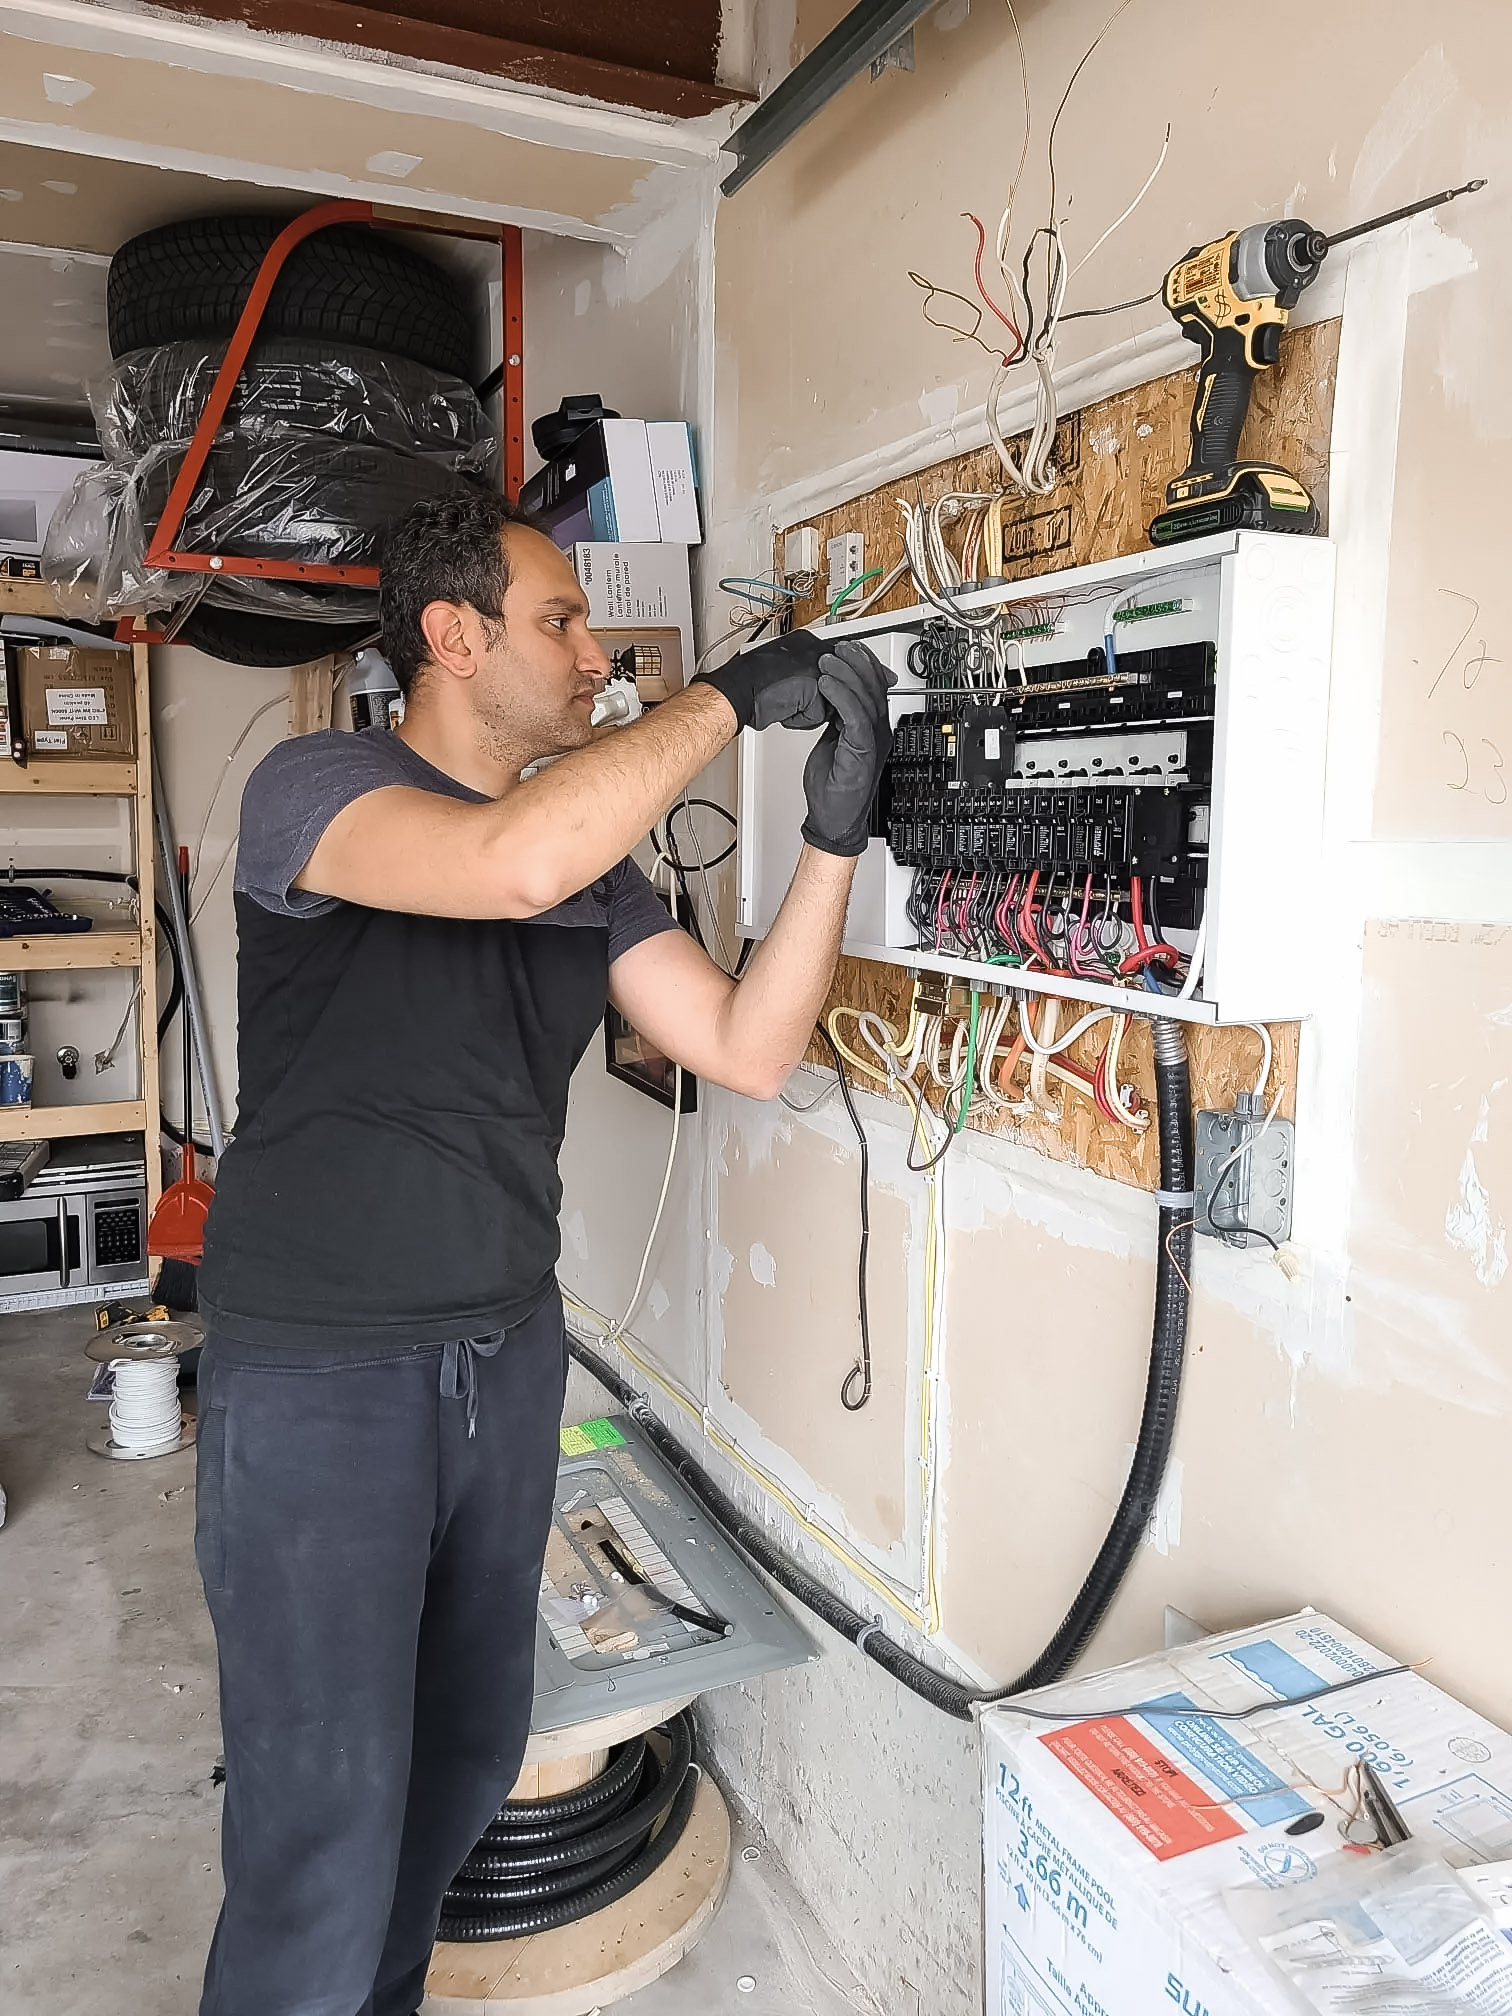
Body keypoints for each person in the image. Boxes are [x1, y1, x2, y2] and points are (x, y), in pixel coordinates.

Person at [192, 485, 894, 2016]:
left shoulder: (597, 868)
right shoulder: (318, 787)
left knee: (453, 1774)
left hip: (503, 1357)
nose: (591, 658)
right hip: (321, 1373)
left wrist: (837, 839)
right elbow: (505, 862)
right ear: (452, 636)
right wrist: (723, 697)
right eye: (558, 621)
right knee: (323, 1821)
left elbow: (745, 1046)